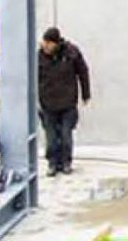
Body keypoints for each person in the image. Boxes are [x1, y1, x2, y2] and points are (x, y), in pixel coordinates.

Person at [36, 27, 91, 175]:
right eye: (44, 43)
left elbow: (83, 72)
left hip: (67, 103)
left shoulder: (71, 53)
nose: (45, 46)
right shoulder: (39, 57)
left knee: (66, 135)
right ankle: (52, 163)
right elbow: (32, 79)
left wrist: (86, 94)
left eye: (48, 43)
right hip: (48, 103)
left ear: (56, 43)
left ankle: (66, 162)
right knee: (51, 138)